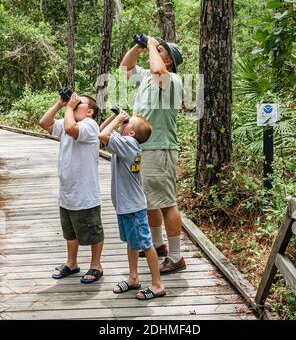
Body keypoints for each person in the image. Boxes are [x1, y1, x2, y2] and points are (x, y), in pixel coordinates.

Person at [120, 36, 186, 274]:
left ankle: (176, 256)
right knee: (149, 200)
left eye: (160, 51)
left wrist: (150, 45)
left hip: (160, 148)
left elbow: (157, 70)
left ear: (169, 62)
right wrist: (138, 46)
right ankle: (158, 246)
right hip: (143, 148)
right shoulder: (147, 78)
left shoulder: (171, 80)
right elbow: (125, 68)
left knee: (167, 203)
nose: (154, 52)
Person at [99, 110, 166, 300]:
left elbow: (102, 135)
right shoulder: (126, 143)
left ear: (132, 133)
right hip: (126, 205)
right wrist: (115, 118)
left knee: (145, 244)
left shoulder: (128, 144)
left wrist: (118, 119)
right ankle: (133, 277)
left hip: (133, 206)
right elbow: (101, 131)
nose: (123, 122)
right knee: (132, 242)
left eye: (127, 123)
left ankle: (157, 284)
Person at [39, 92, 104, 283]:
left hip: (85, 193)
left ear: (90, 112)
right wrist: (61, 104)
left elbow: (70, 129)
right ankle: (72, 263)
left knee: (93, 231)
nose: (74, 104)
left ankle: (96, 265)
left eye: (79, 103)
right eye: (73, 103)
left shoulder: (89, 125)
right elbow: (44, 123)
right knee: (70, 232)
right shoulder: (69, 120)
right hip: (67, 192)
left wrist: (68, 108)